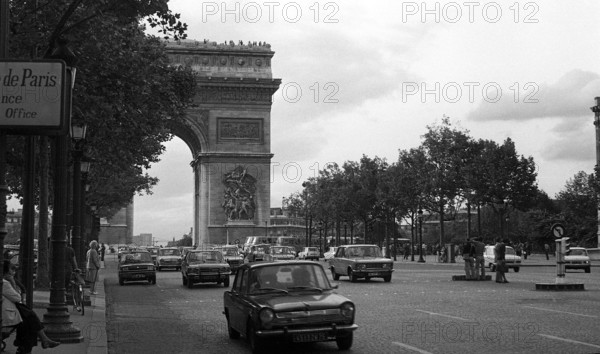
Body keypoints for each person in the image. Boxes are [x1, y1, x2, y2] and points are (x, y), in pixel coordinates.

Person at [3, 261, 60, 354]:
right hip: (7, 313)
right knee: (29, 319)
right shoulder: (5, 283)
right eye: (11, 269)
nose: (13, 272)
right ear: (6, 270)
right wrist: (13, 283)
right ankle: (38, 342)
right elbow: (17, 297)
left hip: (11, 311)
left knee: (28, 320)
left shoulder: (6, 281)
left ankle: (27, 347)